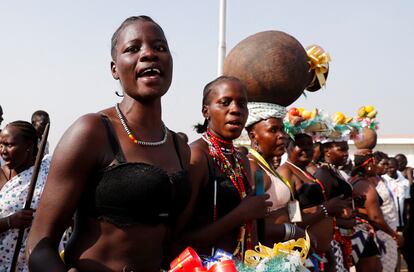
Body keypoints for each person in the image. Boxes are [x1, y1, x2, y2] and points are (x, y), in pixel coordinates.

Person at [27, 16, 190, 272]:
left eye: (160, 47)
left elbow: (173, 242)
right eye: (133, 49)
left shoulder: (180, 146)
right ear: (114, 69)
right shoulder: (92, 132)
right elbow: (38, 246)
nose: (149, 54)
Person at [176, 76, 271, 259]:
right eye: (225, 102)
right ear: (206, 111)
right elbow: (178, 239)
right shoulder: (198, 157)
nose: (235, 110)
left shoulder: (241, 158)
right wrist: (241, 213)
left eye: (242, 104)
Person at [278, 132, 351, 270]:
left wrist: (328, 252)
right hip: (301, 256)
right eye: (300, 145)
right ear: (287, 146)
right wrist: (326, 209)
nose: (306, 149)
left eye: (309, 145)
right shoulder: (286, 173)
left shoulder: (305, 173)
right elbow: (292, 221)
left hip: (319, 254)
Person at [245, 102, 305, 246]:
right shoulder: (256, 170)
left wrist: (299, 232)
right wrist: (293, 231)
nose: (282, 136)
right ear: (254, 137)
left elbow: (290, 205)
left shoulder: (268, 167)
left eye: (282, 130)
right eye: (273, 130)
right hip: (267, 258)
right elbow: (254, 228)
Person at [0, 121, 51, 271]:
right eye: (1, 145)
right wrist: (10, 221)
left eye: (9, 145)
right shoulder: (0, 176)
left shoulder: (46, 173)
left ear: (29, 146)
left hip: (32, 263)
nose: (3, 151)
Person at [350, 151, 403, 272]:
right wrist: (394, 235)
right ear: (369, 164)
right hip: (363, 235)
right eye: (375, 163)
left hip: (359, 233)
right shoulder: (365, 186)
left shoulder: (353, 180)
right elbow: (375, 217)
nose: (377, 167)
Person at [372, 151, 399, 272]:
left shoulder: (382, 180)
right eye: (384, 164)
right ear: (375, 164)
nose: (386, 167)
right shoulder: (372, 183)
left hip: (391, 230)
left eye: (388, 164)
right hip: (382, 231)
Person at [382, 157, 410, 230]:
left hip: (401, 222)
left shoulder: (405, 182)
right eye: (388, 167)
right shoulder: (381, 180)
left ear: (397, 167)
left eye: (392, 167)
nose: (389, 170)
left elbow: (406, 203)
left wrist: (407, 218)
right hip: (386, 221)